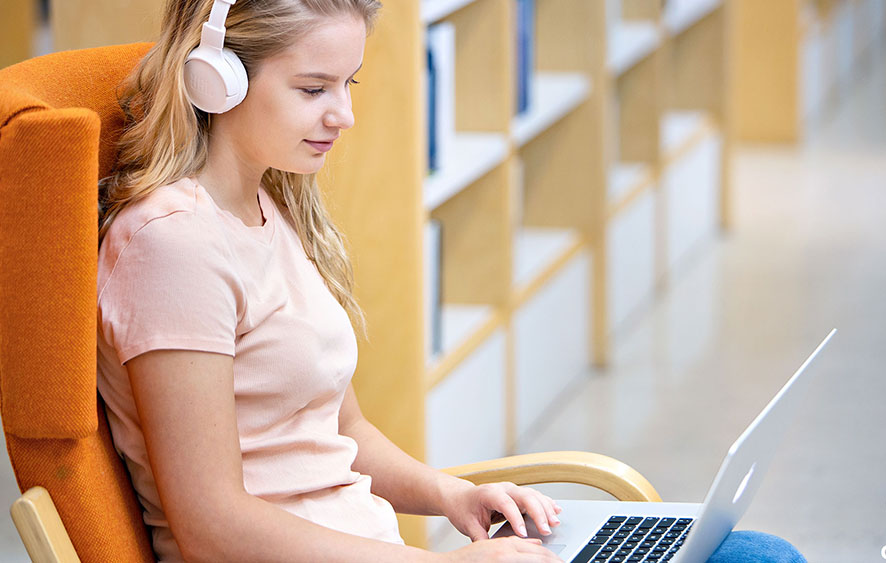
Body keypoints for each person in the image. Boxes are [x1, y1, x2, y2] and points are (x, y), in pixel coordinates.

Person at [95, 0, 806, 561]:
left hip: (369, 548)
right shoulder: (173, 247)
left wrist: (454, 496)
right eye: (314, 88)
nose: (342, 115)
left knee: (756, 553)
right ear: (217, 79)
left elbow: (340, 431)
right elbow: (210, 528)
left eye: (348, 83)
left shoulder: (265, 204)